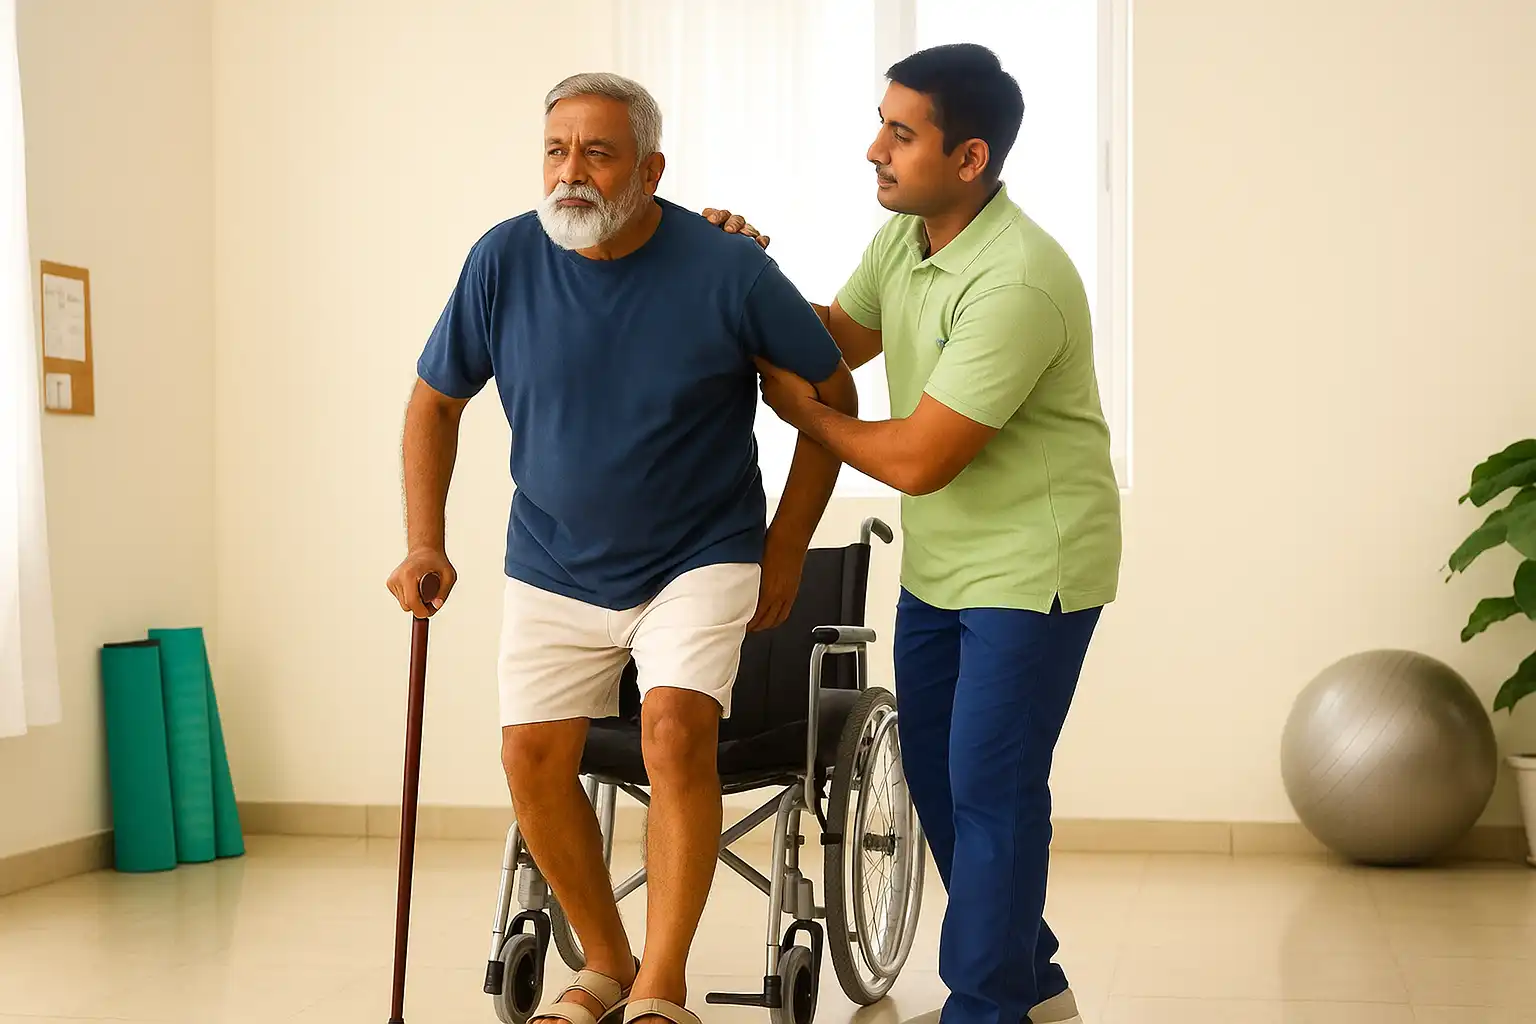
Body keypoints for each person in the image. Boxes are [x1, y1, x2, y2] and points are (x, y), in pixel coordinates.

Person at [385, 72, 857, 1024]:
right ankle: (606, 962)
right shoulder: (503, 260)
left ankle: (662, 988)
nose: (571, 173)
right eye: (556, 150)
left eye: (597, 152)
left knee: (675, 732)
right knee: (529, 757)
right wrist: (423, 540)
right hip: (553, 555)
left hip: (700, 549)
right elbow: (436, 401)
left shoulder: (728, 269)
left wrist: (788, 546)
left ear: (650, 168)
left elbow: (832, 397)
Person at [702, 43, 1121, 1024]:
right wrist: (739, 272)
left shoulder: (1016, 279)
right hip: (945, 564)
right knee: (937, 778)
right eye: (879, 124)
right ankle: (1035, 982)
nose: (873, 150)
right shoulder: (910, 239)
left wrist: (808, 419)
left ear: (968, 159)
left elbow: (920, 458)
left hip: (1034, 566)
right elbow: (834, 341)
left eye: (900, 132)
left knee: (991, 784)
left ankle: (985, 1006)